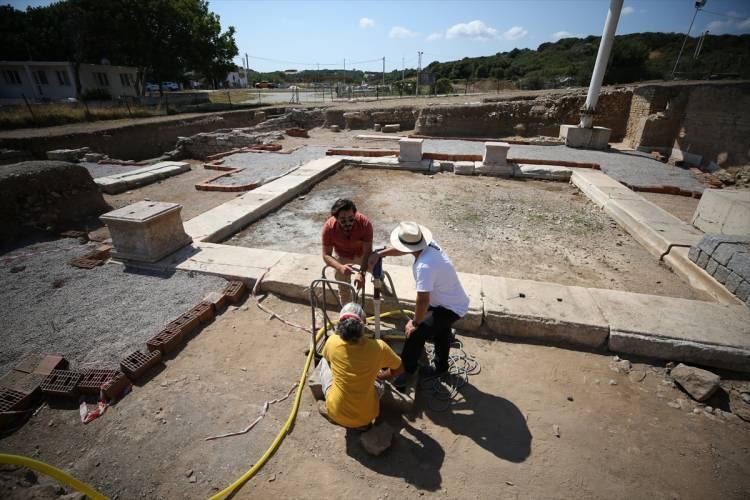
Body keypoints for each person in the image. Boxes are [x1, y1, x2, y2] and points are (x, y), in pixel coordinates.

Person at [368, 221, 469, 388]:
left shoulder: (424, 266)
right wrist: (381, 254)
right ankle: (441, 368)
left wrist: (415, 322)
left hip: (449, 307)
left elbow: (423, 300)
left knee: (415, 334)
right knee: (441, 332)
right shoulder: (429, 246)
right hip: (452, 301)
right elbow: (406, 248)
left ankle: (405, 370)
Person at [318, 302, 404, 429]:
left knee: (323, 361)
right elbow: (400, 368)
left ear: (340, 326)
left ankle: (332, 411)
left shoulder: (332, 342)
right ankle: (362, 425)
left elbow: (329, 360)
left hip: (335, 412)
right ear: (362, 326)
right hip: (366, 417)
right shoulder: (379, 347)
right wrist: (381, 376)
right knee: (379, 382)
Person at [321, 199, 373, 304]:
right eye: (343, 220)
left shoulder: (364, 223)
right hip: (342, 255)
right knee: (344, 289)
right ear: (335, 218)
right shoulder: (328, 228)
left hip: (361, 253)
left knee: (377, 273)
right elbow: (326, 255)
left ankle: (384, 290)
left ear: (355, 214)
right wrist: (340, 267)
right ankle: (347, 316)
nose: (348, 223)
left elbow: (368, 251)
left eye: (351, 219)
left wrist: (361, 273)